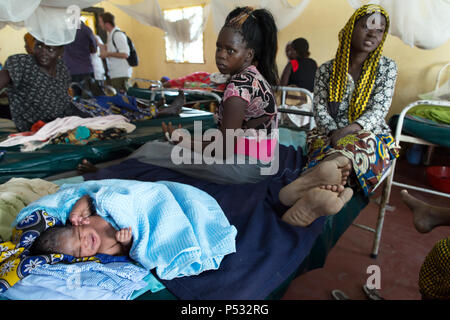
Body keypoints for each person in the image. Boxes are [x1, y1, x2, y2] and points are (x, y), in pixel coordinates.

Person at [94, 6, 281, 185]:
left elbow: (223, 150)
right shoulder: (255, 77)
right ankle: (110, 172)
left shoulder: (237, 88)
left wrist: (183, 141)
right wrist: (185, 141)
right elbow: (231, 138)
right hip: (260, 162)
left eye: (230, 50)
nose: (221, 55)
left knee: (152, 150)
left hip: (246, 166)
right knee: (167, 146)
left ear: (248, 54)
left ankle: (102, 176)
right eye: (219, 48)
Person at [293, 4, 399, 200]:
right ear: (351, 27)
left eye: (380, 30)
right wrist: (334, 133)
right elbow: (320, 110)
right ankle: (329, 193)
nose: (373, 34)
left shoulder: (387, 68)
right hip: (329, 132)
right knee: (321, 144)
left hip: (369, 134)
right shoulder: (326, 70)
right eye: (367, 27)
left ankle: (315, 178)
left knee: (363, 144)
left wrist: (347, 132)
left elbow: (378, 110)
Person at [0, 40, 92, 131]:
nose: (43, 53)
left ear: (61, 51)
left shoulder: (61, 67)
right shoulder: (22, 63)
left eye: (50, 49)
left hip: (62, 121)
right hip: (35, 128)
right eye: (39, 46)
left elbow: (64, 99)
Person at [30, 194, 133, 257]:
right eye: (79, 250)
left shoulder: (87, 220)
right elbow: (126, 251)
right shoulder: (105, 250)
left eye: (79, 235)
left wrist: (75, 212)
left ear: (77, 226)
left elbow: (88, 197)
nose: (85, 242)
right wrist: (126, 242)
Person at [98, 12, 132, 93]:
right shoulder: (111, 35)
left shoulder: (118, 35)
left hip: (121, 74)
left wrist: (107, 54)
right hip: (115, 73)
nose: (99, 24)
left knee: (121, 99)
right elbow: (113, 48)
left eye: (100, 22)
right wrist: (100, 45)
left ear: (107, 23)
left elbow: (125, 54)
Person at [63, 21, 98, 97]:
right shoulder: (86, 30)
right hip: (85, 70)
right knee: (89, 101)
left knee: (73, 100)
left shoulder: (64, 30)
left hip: (69, 70)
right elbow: (94, 49)